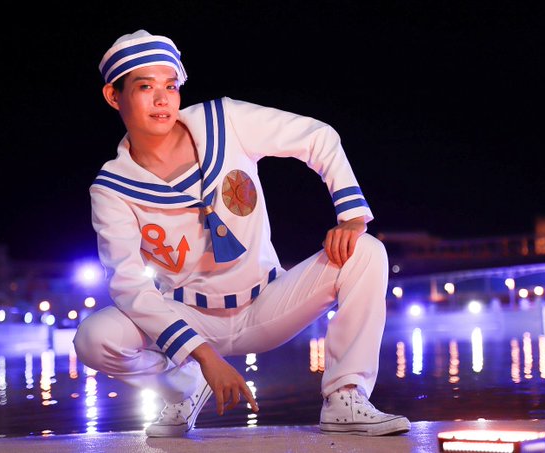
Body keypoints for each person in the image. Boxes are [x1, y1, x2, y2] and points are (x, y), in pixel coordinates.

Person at [73, 29, 410, 438]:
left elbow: (318, 137)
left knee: (366, 251)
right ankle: (185, 384)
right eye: (145, 87)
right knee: (94, 338)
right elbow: (129, 286)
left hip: (268, 302)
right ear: (114, 96)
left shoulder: (225, 121)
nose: (162, 99)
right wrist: (202, 357)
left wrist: (351, 217)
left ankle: (345, 397)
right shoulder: (112, 188)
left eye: (171, 86)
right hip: (190, 316)